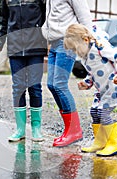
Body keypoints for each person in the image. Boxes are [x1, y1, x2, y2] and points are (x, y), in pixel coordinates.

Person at [64, 24, 117, 156]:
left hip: (114, 85)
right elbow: (94, 73)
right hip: (103, 89)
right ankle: (100, 141)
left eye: (76, 48)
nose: (76, 53)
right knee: (94, 111)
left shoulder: (99, 47)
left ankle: (114, 144)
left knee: (103, 113)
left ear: (85, 40)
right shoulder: (85, 56)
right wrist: (86, 83)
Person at [41, 0, 95, 147]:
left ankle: (75, 131)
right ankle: (69, 129)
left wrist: (91, 41)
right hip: (53, 42)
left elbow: (84, 16)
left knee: (60, 85)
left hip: (68, 41)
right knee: (51, 85)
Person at [0, 0, 47, 142]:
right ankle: (20, 129)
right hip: (15, 47)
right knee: (18, 88)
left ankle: (36, 129)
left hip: (36, 45)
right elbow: (3, 19)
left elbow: (47, 16)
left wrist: (49, 39)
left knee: (35, 87)